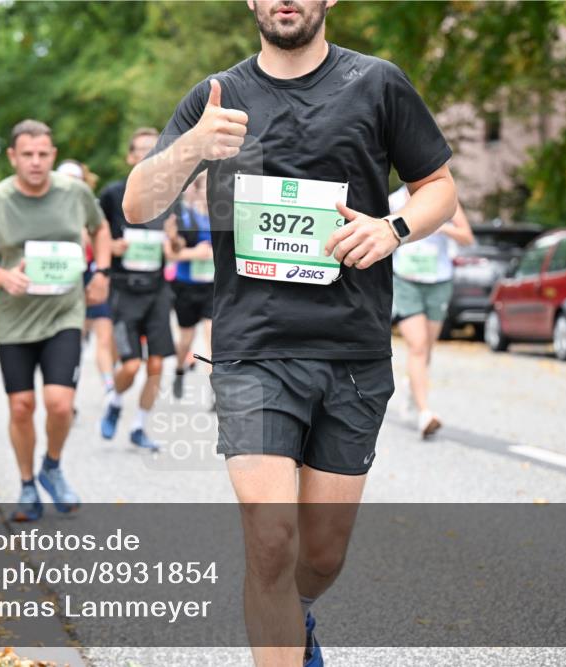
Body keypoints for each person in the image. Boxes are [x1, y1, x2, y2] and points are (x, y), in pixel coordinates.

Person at [122, 2, 458, 665]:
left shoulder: (378, 83)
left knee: (322, 553)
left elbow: (438, 188)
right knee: (271, 538)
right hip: (253, 349)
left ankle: (294, 616)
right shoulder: (218, 98)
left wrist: (389, 228)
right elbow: (137, 204)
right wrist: (193, 144)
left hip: (352, 351)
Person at [0, 120, 111, 522]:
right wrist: (3, 275)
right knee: (21, 407)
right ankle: (28, 483)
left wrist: (101, 272)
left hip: (64, 311)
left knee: (59, 404)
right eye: (27, 154)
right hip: (15, 319)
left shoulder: (75, 193)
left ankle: (52, 464)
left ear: (53, 154)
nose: (35, 162)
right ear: (13, 156)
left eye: (43, 154)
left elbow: (101, 230)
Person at [98, 128, 178, 451]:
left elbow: (174, 247)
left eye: (155, 148)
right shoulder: (112, 195)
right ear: (131, 157)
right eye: (141, 150)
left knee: (157, 365)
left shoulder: (172, 194)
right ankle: (115, 402)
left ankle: (139, 426)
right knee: (130, 365)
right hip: (124, 290)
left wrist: (173, 240)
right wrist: (111, 247)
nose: (148, 154)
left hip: (157, 289)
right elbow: (95, 234)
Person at [389, 185, 473, 437]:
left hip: (438, 282)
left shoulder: (444, 197)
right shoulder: (393, 201)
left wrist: (440, 226)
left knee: (427, 349)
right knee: (418, 345)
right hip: (405, 280)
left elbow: (467, 237)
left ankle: (412, 385)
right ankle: (425, 413)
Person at [57, 159, 118, 395]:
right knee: (73, 342)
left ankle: (109, 388)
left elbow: (104, 241)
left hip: (93, 277)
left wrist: (106, 265)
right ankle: (66, 390)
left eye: (76, 180)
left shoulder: (93, 209)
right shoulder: (49, 209)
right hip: (67, 282)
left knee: (104, 336)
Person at [166, 171, 214, 400]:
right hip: (186, 286)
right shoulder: (185, 218)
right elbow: (172, 254)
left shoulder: (225, 217)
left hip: (212, 287)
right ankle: (179, 369)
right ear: (197, 189)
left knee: (212, 337)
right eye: (208, 185)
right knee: (186, 339)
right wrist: (196, 253)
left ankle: (216, 392)